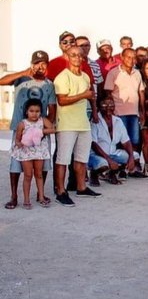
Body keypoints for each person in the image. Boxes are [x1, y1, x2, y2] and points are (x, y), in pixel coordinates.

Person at [1, 50, 56, 210]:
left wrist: (47, 126)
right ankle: (14, 196)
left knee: (43, 164)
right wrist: (24, 72)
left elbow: (52, 108)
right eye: (37, 63)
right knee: (16, 164)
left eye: (43, 63)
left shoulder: (49, 84)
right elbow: (1, 81)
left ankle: (41, 194)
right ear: (32, 64)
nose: (40, 66)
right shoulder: (21, 79)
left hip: (40, 131)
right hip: (20, 128)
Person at [53, 46, 101, 206]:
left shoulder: (86, 77)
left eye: (80, 55)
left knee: (81, 158)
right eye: (73, 55)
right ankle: (60, 191)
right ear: (67, 57)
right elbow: (62, 100)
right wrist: (83, 95)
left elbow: (91, 96)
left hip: (83, 123)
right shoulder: (62, 77)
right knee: (63, 159)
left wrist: (93, 109)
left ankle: (81, 187)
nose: (77, 58)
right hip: (66, 124)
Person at [11, 100, 54, 209]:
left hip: (39, 151)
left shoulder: (42, 120)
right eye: (31, 111)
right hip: (26, 152)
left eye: (37, 111)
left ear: (40, 112)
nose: (34, 114)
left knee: (39, 174)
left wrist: (40, 132)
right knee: (28, 175)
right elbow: (17, 139)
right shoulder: (22, 124)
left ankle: (41, 197)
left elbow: (52, 129)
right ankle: (26, 200)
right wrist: (19, 143)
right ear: (26, 112)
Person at [88, 97, 140, 185]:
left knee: (135, 156)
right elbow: (94, 144)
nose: (108, 107)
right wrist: (109, 160)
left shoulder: (118, 121)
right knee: (104, 164)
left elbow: (126, 141)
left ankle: (111, 174)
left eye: (111, 105)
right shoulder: (95, 120)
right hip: (97, 155)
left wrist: (131, 157)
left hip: (113, 153)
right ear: (99, 107)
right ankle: (94, 174)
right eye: (105, 105)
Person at [104, 48, 145, 151]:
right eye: (128, 57)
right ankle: (122, 165)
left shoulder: (137, 73)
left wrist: (142, 111)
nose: (131, 60)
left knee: (135, 140)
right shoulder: (113, 73)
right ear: (122, 57)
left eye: (133, 57)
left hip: (134, 113)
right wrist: (110, 112)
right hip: (118, 113)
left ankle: (134, 164)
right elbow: (108, 93)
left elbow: (141, 92)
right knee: (121, 141)